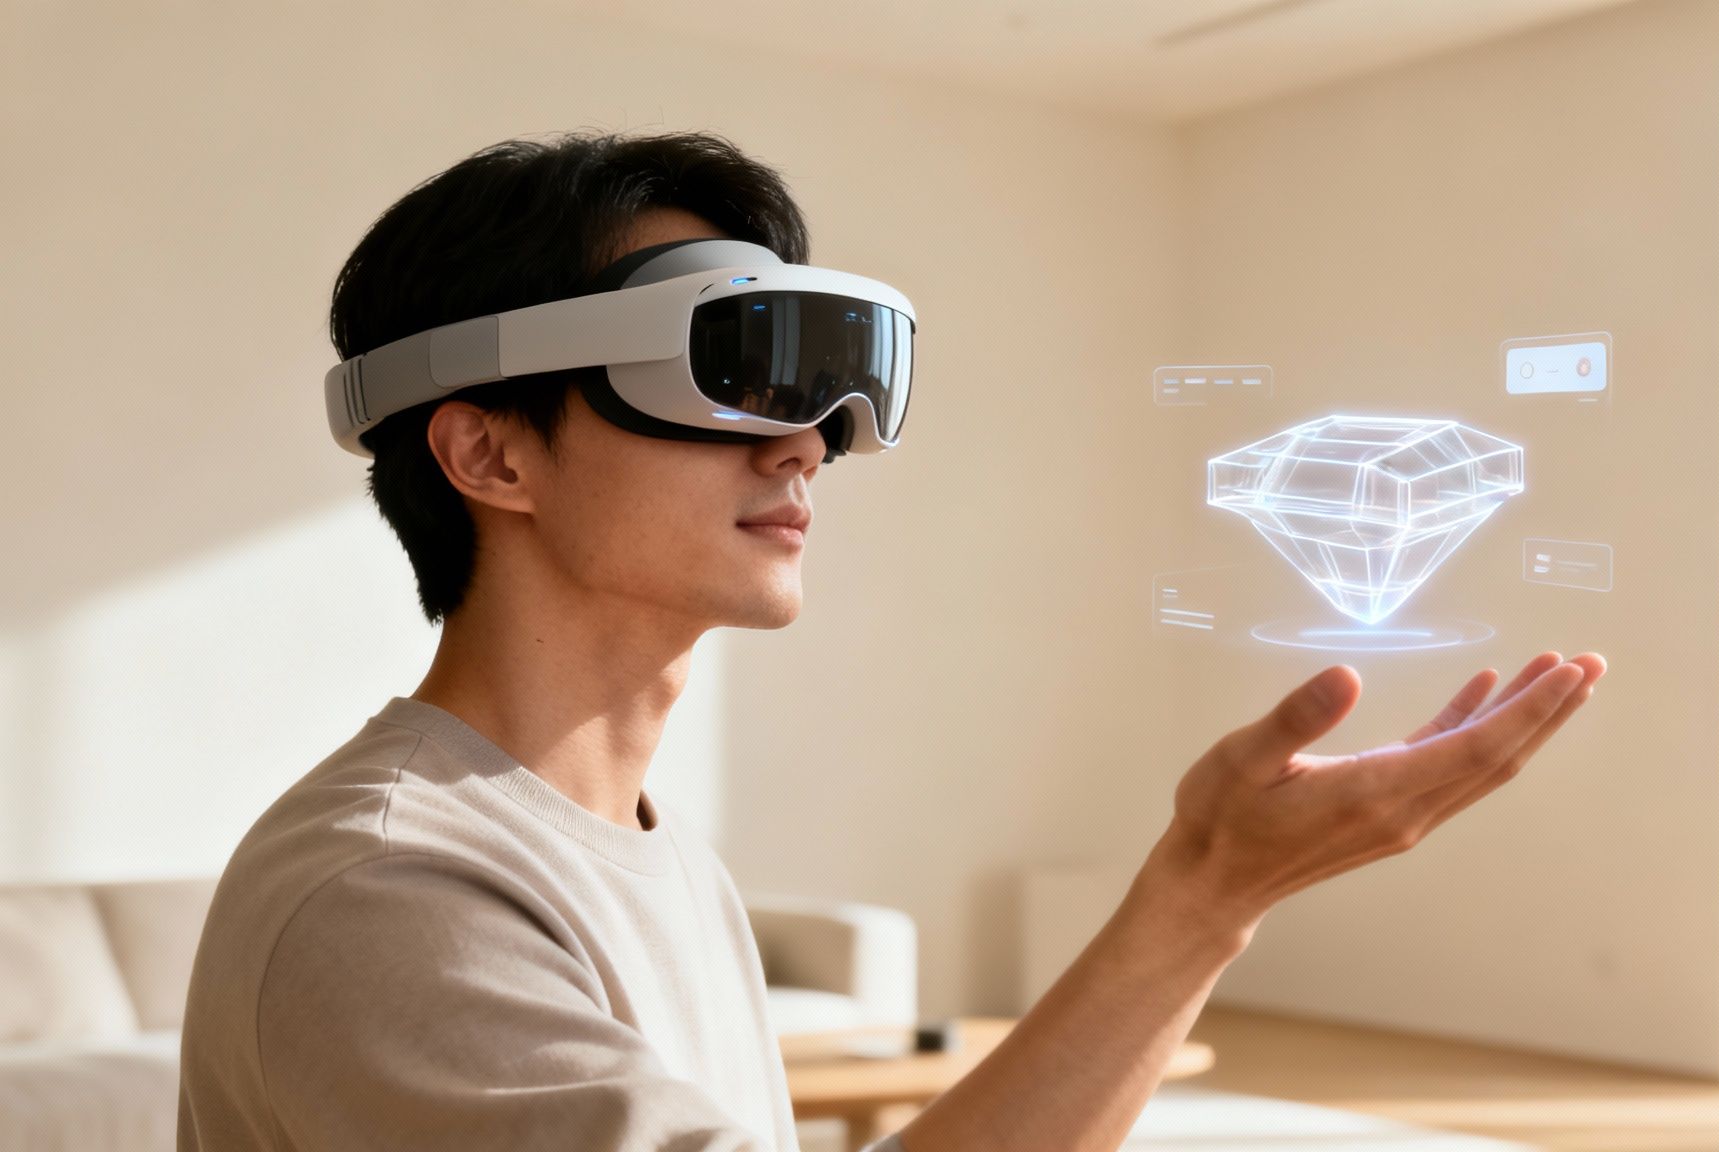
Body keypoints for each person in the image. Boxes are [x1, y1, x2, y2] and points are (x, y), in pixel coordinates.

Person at [175, 130, 1605, 1152]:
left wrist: (1208, 897)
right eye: (729, 371)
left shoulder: (648, 855)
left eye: (826, 385)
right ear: (489, 453)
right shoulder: (391, 893)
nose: (809, 443)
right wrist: (1203, 898)